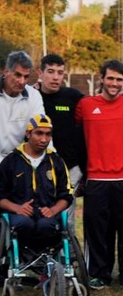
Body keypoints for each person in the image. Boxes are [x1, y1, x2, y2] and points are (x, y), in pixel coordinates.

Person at [76, 60, 123, 290]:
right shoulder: (85, 106)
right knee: (97, 230)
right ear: (102, 79)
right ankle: (98, 273)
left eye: (119, 80)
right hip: (96, 178)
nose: (115, 83)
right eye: (111, 78)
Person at [0, 114, 72, 248]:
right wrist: (17, 208)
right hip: (19, 216)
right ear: (28, 134)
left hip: (47, 215)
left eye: (48, 134)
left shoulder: (56, 161)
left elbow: (66, 195)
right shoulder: (11, 161)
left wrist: (53, 210)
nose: (44, 139)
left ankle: (46, 259)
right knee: (23, 223)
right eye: (39, 133)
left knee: (47, 225)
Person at [37, 54, 86, 193]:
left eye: (60, 72)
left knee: (66, 213)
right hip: (39, 167)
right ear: (40, 73)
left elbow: (99, 103)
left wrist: (122, 93)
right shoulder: (32, 97)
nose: (56, 77)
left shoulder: (72, 96)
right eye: (50, 72)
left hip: (70, 168)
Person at [0, 51, 45, 163]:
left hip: (18, 162)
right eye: (18, 75)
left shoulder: (33, 96)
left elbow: (41, 128)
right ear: (6, 72)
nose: (22, 81)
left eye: (26, 77)